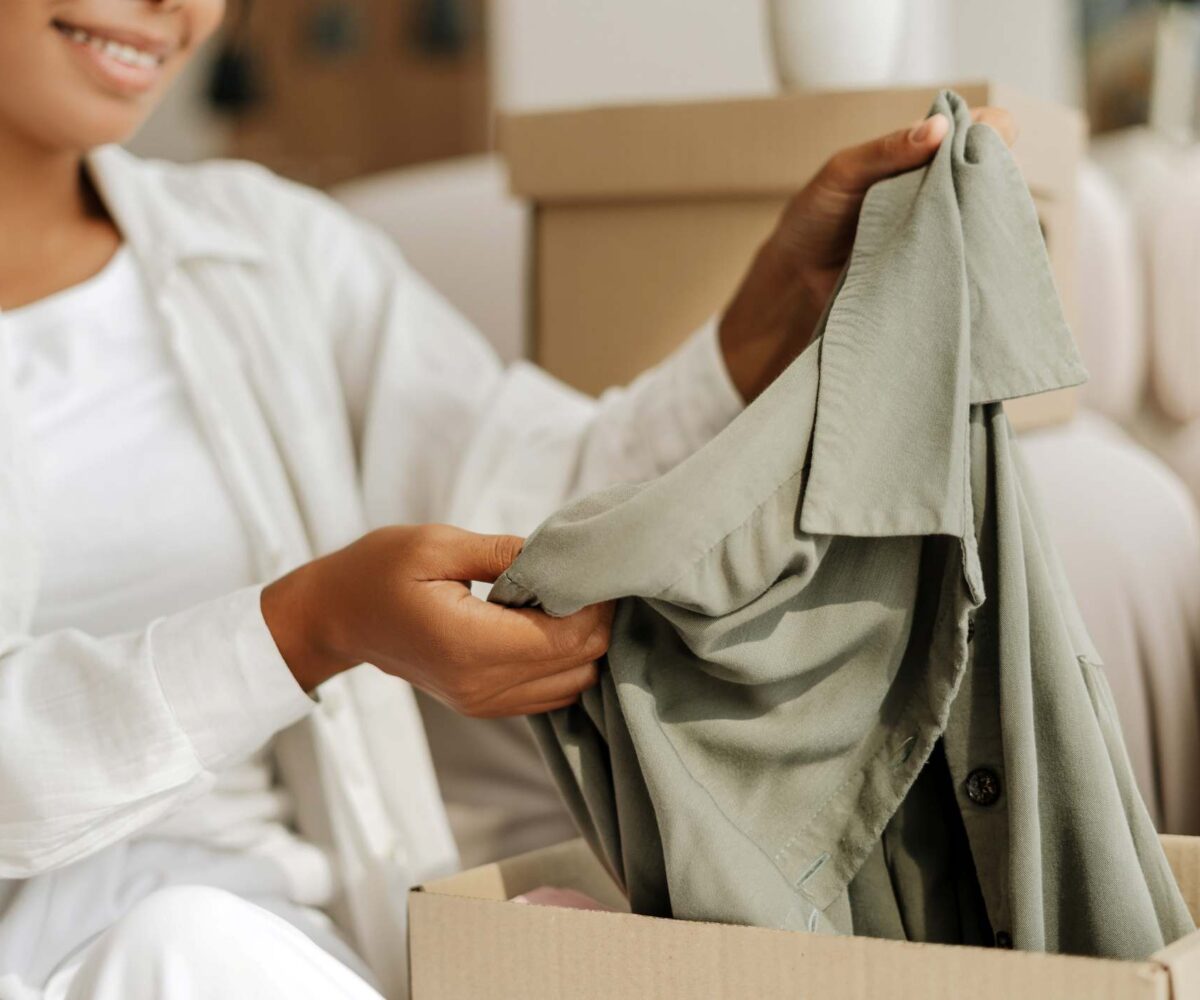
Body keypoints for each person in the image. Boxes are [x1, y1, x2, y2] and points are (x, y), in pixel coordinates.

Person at [0, 0, 1016, 996]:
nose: (174, 7)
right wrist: (311, 625)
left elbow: (534, 501)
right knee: (186, 947)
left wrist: (776, 306)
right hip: (120, 952)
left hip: (289, 937)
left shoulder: (263, 250)